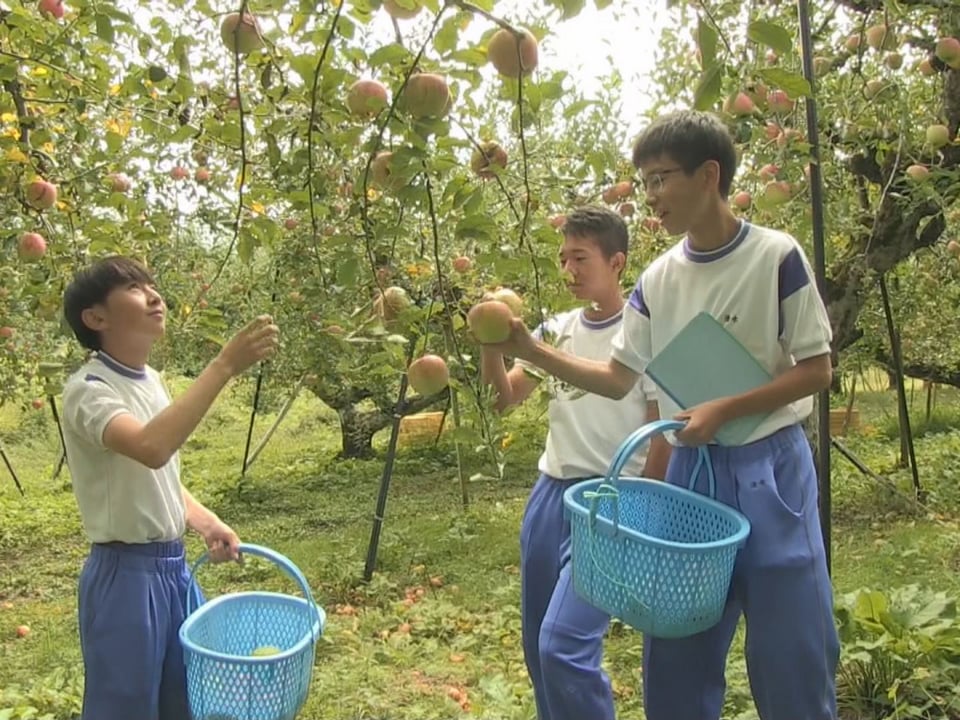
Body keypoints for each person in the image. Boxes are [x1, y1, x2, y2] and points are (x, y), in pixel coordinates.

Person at [482, 110, 839, 720]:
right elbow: (617, 378)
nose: (650, 196)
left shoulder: (775, 257)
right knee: (677, 645)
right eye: (643, 181)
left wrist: (726, 407)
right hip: (692, 473)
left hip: (769, 468)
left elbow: (816, 369)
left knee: (792, 645)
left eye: (661, 178)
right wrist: (530, 350)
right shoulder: (658, 278)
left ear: (708, 174)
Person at [60, 256, 280, 720]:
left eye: (151, 284)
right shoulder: (89, 390)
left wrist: (204, 521)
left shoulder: (153, 382)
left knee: (184, 697)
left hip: (172, 569)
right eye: (135, 288)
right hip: (124, 578)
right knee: (127, 705)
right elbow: (151, 447)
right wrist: (224, 365)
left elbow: (159, 474)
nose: (155, 295)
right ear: (96, 318)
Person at [480, 205, 668, 720]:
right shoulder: (557, 328)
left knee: (562, 645)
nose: (569, 270)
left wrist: (645, 510)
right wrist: (491, 346)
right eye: (563, 258)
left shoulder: (642, 332)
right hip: (551, 493)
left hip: (611, 501)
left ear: (617, 261)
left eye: (581, 257)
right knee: (537, 643)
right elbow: (504, 398)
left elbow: (661, 432)